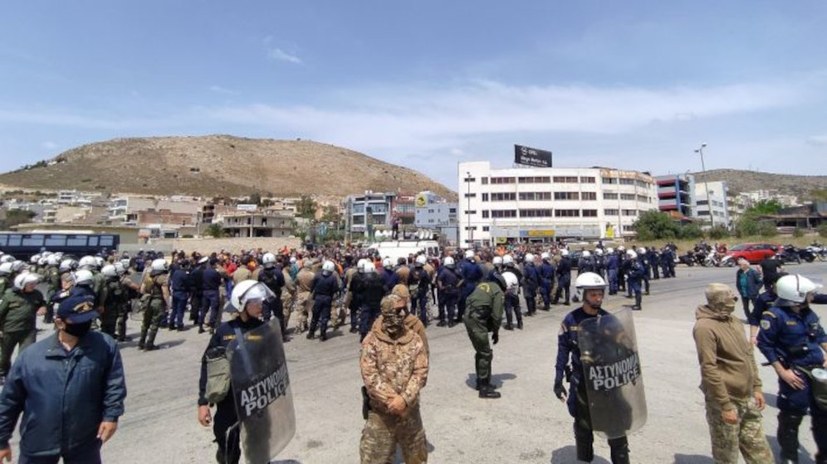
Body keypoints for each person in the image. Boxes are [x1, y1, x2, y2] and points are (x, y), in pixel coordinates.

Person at [0, 292, 126, 463]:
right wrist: (2, 439)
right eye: (79, 321)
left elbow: (114, 384)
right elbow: (9, 400)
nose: (86, 325)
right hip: (39, 440)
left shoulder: (104, 346)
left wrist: (111, 416)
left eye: (89, 319)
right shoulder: (32, 356)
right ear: (60, 323)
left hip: (83, 439)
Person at [554, 272, 631, 464]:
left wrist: (629, 364)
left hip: (608, 381)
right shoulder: (571, 320)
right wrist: (557, 379)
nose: (598, 298)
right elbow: (563, 350)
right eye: (593, 294)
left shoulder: (609, 320)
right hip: (582, 383)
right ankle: (584, 459)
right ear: (584, 295)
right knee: (583, 428)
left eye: (600, 294)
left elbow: (626, 348)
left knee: (617, 429)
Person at [693, 283, 773, 464]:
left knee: (760, 452)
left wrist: (757, 386)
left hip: (748, 396)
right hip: (726, 398)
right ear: (720, 300)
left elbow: (748, 354)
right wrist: (725, 405)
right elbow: (709, 368)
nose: (734, 300)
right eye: (731, 297)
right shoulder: (704, 328)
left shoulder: (734, 321)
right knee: (726, 455)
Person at [197, 280, 271, 464]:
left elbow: (274, 363)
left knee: (260, 447)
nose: (260, 305)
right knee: (228, 447)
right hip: (230, 399)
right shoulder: (223, 332)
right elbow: (209, 366)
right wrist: (203, 402)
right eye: (255, 301)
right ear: (242, 304)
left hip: (256, 398)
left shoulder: (264, 329)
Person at [756, 274, 827, 464]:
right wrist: (782, 372)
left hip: (818, 372)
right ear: (797, 296)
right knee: (792, 416)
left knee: (823, 415)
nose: (813, 296)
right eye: (809, 293)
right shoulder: (774, 316)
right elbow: (765, 345)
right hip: (795, 373)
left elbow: (820, 336)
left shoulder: (807, 313)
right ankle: (789, 456)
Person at [359, 294, 428, 464]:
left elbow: (421, 371)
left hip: (409, 412)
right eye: (398, 310)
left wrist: (404, 399)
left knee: (417, 458)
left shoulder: (414, 339)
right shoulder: (371, 341)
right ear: (386, 311)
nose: (404, 314)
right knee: (373, 459)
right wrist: (392, 401)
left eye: (405, 309)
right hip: (381, 414)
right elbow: (370, 376)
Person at [464, 272, 514, 399]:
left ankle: (480, 382)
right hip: (476, 320)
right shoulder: (498, 292)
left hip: (469, 316)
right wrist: (496, 331)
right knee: (485, 353)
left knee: (481, 351)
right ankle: (484, 388)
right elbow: (497, 316)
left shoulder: (485, 285)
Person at [0, 273, 46, 385]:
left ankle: (21, 375)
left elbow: (42, 303)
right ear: (21, 284)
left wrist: (43, 307)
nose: (33, 286)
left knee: (26, 354)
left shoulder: (37, 294)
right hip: (9, 330)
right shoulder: (9, 296)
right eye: (30, 284)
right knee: (5, 356)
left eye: (34, 284)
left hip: (28, 331)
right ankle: (2, 373)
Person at [307, 260, 339, 341]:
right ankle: (322, 335)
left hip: (318, 298)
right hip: (327, 298)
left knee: (315, 316)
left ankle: (311, 333)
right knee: (325, 317)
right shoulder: (333, 278)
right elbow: (335, 289)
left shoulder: (317, 275)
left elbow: (312, 286)